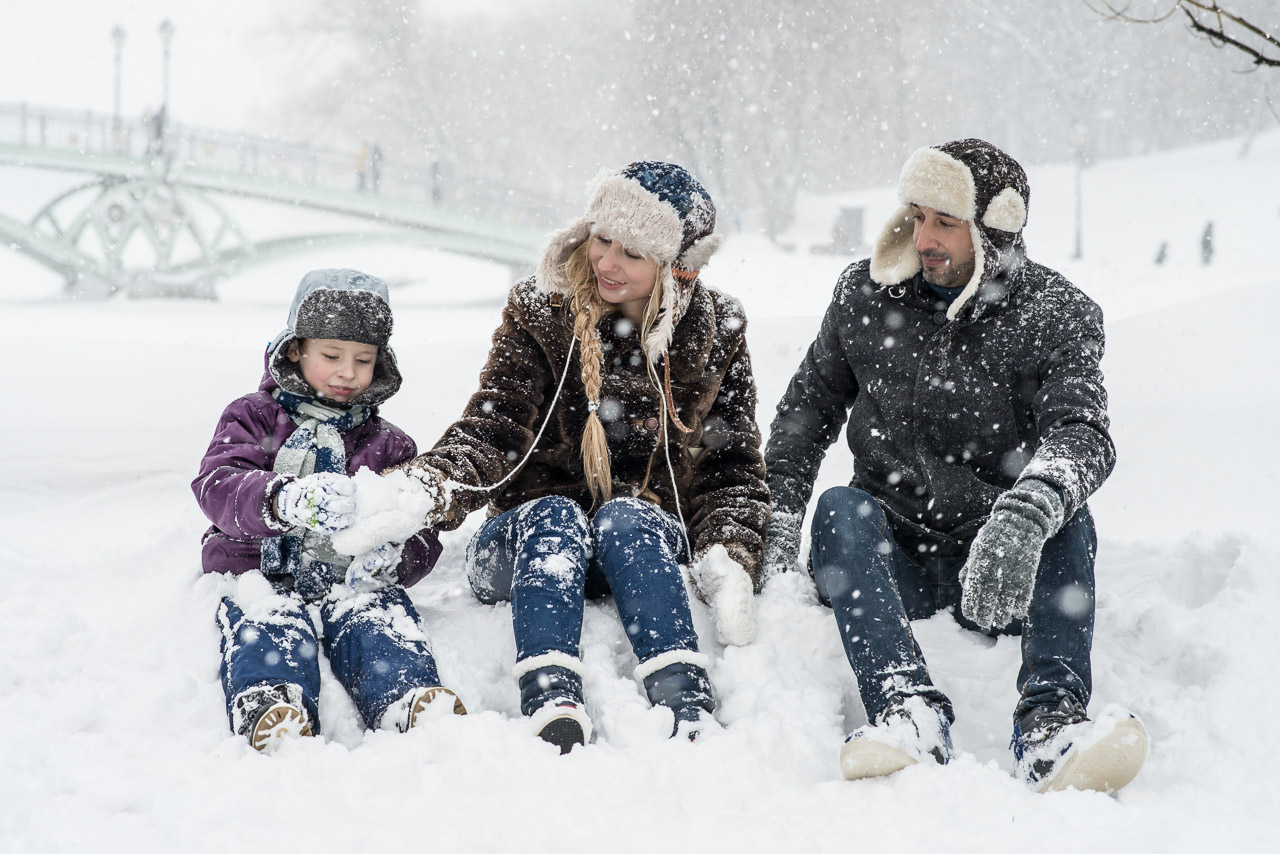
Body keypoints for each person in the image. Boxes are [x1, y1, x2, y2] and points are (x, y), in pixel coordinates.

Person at [763, 139, 1148, 794]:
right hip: (889, 562)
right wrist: (772, 530)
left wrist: (1024, 518)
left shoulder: (1055, 313)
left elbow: (1083, 432)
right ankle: (906, 709)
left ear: (993, 230)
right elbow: (804, 417)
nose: (925, 236)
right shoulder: (864, 294)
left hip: (1001, 569)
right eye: (917, 216)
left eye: (946, 221)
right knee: (838, 509)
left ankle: (1052, 724)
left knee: (1067, 514)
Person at [347, 162, 768, 753]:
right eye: (602, 239)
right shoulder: (541, 310)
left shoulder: (715, 326)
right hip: (526, 545)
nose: (606, 263)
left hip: (636, 548)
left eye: (633, 252)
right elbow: (494, 426)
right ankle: (550, 695)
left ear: (678, 267)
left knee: (629, 515)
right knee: (555, 516)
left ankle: (684, 696)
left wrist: (731, 550)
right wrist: (426, 487)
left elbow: (733, 464)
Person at [192, 268, 465, 752]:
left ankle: (405, 695)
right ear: (296, 349)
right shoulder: (254, 416)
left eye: (363, 360)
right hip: (257, 568)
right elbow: (218, 483)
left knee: (378, 618)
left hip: (349, 579)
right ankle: (272, 699)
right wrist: (281, 499)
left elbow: (418, 526)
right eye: (332, 356)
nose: (347, 373)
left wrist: (397, 557)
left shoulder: (389, 444)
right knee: (268, 619)